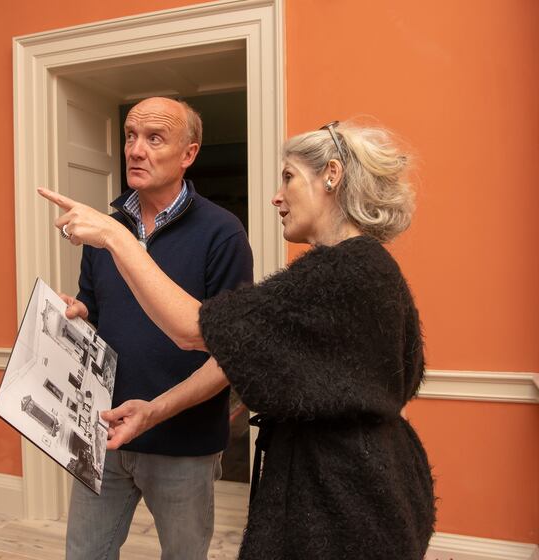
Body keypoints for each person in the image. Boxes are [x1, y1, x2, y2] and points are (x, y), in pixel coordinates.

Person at [39, 120, 436, 559]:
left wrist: (116, 237)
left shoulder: (342, 271)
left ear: (332, 176)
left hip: (344, 496)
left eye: (288, 177)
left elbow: (197, 329)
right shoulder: (365, 268)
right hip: (369, 482)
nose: (276, 196)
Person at [54, 96, 254, 560]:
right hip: (104, 433)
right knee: (84, 554)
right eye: (130, 136)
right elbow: (98, 310)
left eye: (154, 138)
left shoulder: (223, 234)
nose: (135, 149)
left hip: (185, 445)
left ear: (189, 154)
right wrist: (81, 314)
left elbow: (231, 349)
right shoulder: (103, 228)